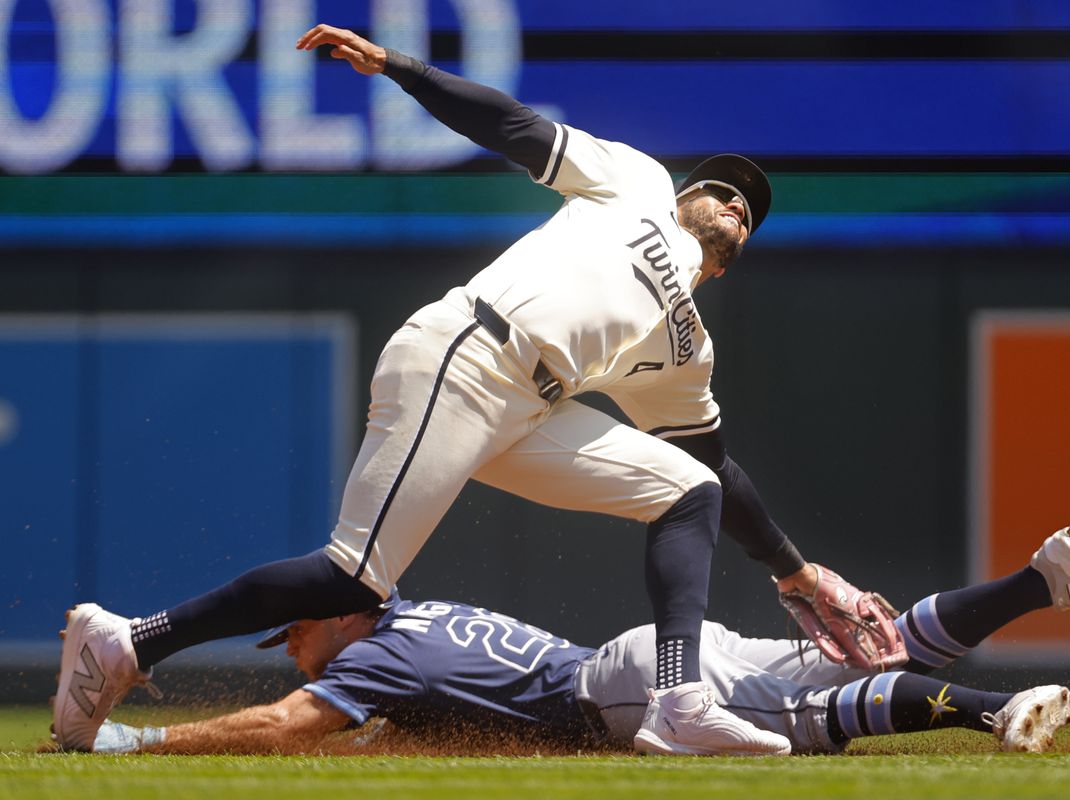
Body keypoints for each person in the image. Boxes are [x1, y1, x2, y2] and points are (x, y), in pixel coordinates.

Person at [55, 22, 849, 756]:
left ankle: (678, 702)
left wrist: (796, 570)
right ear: (686, 197)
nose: (737, 202)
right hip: (468, 351)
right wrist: (401, 67)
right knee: (353, 578)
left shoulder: (687, 350)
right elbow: (513, 125)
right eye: (723, 188)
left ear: (724, 264)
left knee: (686, 492)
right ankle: (128, 641)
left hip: (527, 409)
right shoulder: (637, 185)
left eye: (750, 211)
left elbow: (719, 468)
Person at [84, 529, 1070, 757]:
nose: (292, 646)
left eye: (299, 626)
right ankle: (1037, 576)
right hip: (655, 652)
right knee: (860, 660)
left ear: (351, 612)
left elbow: (285, 723)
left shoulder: (373, 654)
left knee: (818, 721)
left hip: (621, 691)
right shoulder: (414, 624)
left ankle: (989, 714)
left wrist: (139, 744)